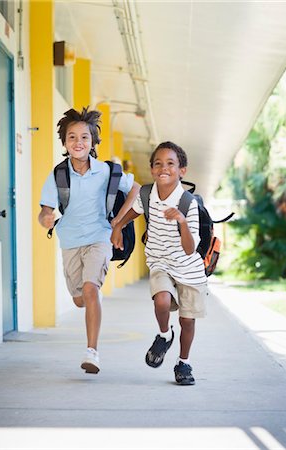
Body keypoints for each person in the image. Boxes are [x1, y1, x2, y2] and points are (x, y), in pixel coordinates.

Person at [38, 106, 140, 374]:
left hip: (99, 237)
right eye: (72, 137)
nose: (78, 142)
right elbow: (45, 210)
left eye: (84, 137)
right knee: (80, 299)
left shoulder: (107, 171)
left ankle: (92, 352)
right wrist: (45, 218)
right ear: (64, 142)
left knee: (91, 289)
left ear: (93, 141)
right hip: (70, 240)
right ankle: (90, 299)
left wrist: (119, 219)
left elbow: (137, 189)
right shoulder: (58, 174)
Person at [111, 141, 209, 385]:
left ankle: (183, 363)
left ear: (182, 170)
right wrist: (119, 225)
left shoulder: (189, 204)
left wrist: (182, 222)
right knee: (162, 300)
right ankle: (164, 335)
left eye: (170, 164)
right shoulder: (147, 193)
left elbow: (189, 249)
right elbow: (136, 209)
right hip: (160, 262)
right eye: (158, 163)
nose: (163, 168)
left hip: (189, 269)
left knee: (187, 320)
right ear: (152, 168)